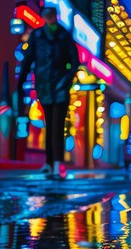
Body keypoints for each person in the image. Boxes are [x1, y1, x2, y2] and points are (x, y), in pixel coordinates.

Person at [17, 7, 79, 178]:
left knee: (58, 124)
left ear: (55, 16)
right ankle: (49, 162)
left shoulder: (64, 35)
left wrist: (67, 79)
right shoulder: (37, 35)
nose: (49, 18)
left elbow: (75, 60)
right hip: (44, 85)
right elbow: (28, 58)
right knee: (49, 123)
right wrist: (21, 79)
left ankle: (58, 162)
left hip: (60, 85)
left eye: (51, 15)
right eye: (46, 16)